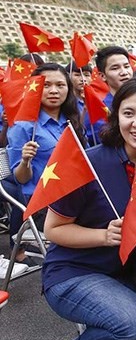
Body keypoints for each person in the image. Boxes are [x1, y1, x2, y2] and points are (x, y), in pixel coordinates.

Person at [41, 76, 136, 340]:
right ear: (116, 116)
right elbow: (52, 230)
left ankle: (109, 320)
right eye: (128, 113)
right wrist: (102, 236)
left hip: (129, 276)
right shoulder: (89, 164)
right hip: (75, 273)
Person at [6, 63, 86, 265]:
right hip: (43, 204)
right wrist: (25, 160)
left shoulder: (71, 121)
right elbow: (20, 179)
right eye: (46, 85)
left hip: (76, 193)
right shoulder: (23, 126)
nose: (53, 91)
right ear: (34, 88)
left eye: (60, 85)